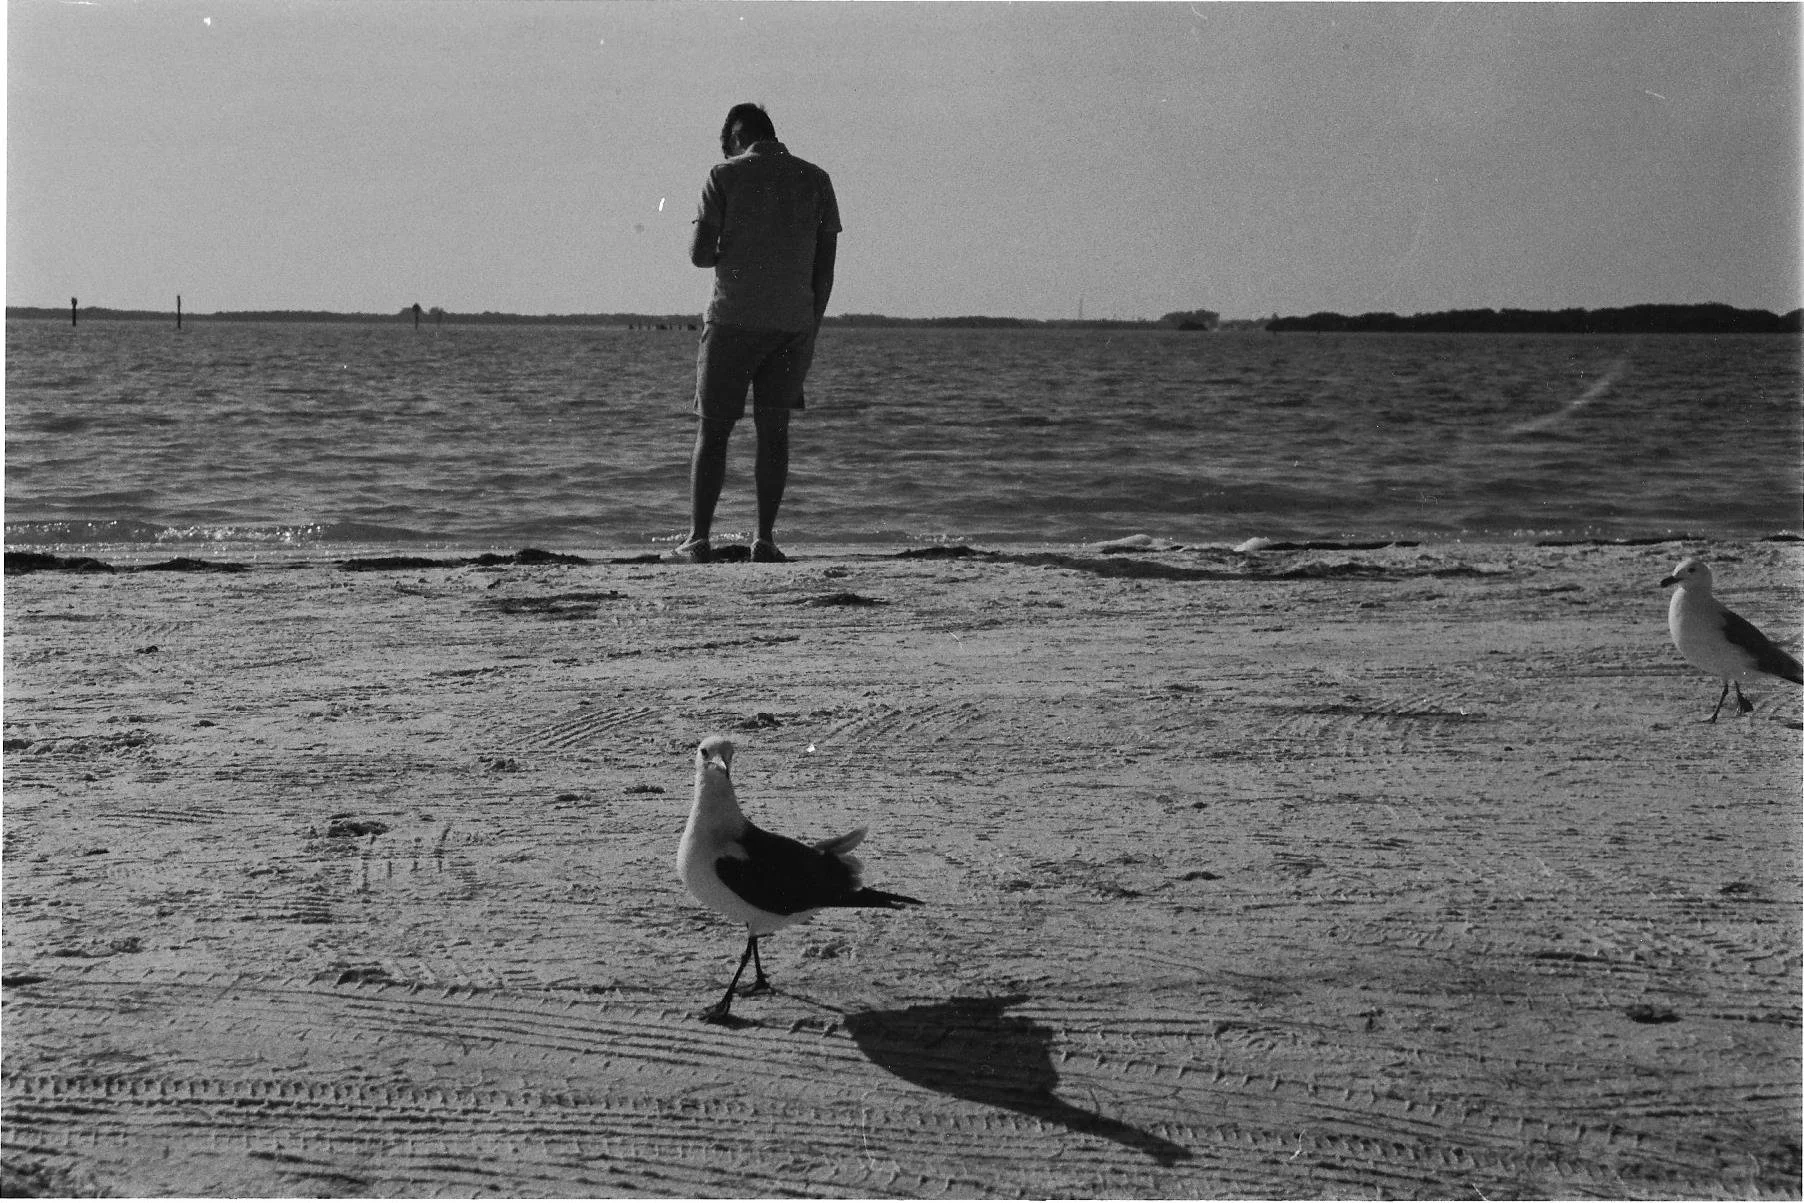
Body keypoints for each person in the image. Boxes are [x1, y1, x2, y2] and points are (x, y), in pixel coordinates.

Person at [670, 103, 840, 564]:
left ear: (735, 139)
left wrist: (729, 245)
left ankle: (698, 537)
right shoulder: (816, 179)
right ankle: (764, 538)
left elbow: (699, 255)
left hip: (732, 320)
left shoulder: (723, 176)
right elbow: (825, 271)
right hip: (792, 323)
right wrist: (811, 326)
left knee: (714, 431)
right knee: (774, 432)